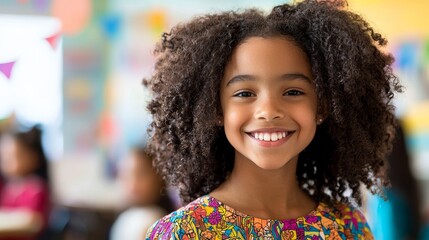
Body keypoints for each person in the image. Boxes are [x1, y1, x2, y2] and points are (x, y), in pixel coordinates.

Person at [144, 0, 401, 239]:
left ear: (323, 106)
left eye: (293, 92)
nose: (268, 110)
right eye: (244, 93)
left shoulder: (348, 227)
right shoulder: (183, 232)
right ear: (216, 110)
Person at [110, 147, 175, 240]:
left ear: (158, 177)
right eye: (126, 175)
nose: (133, 183)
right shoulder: (128, 216)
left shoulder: (153, 222)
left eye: (141, 174)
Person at [0, 125, 50, 240]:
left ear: (33, 157)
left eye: (13, 156)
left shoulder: (35, 189)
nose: (7, 161)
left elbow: (32, 221)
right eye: (3, 157)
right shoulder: (7, 187)